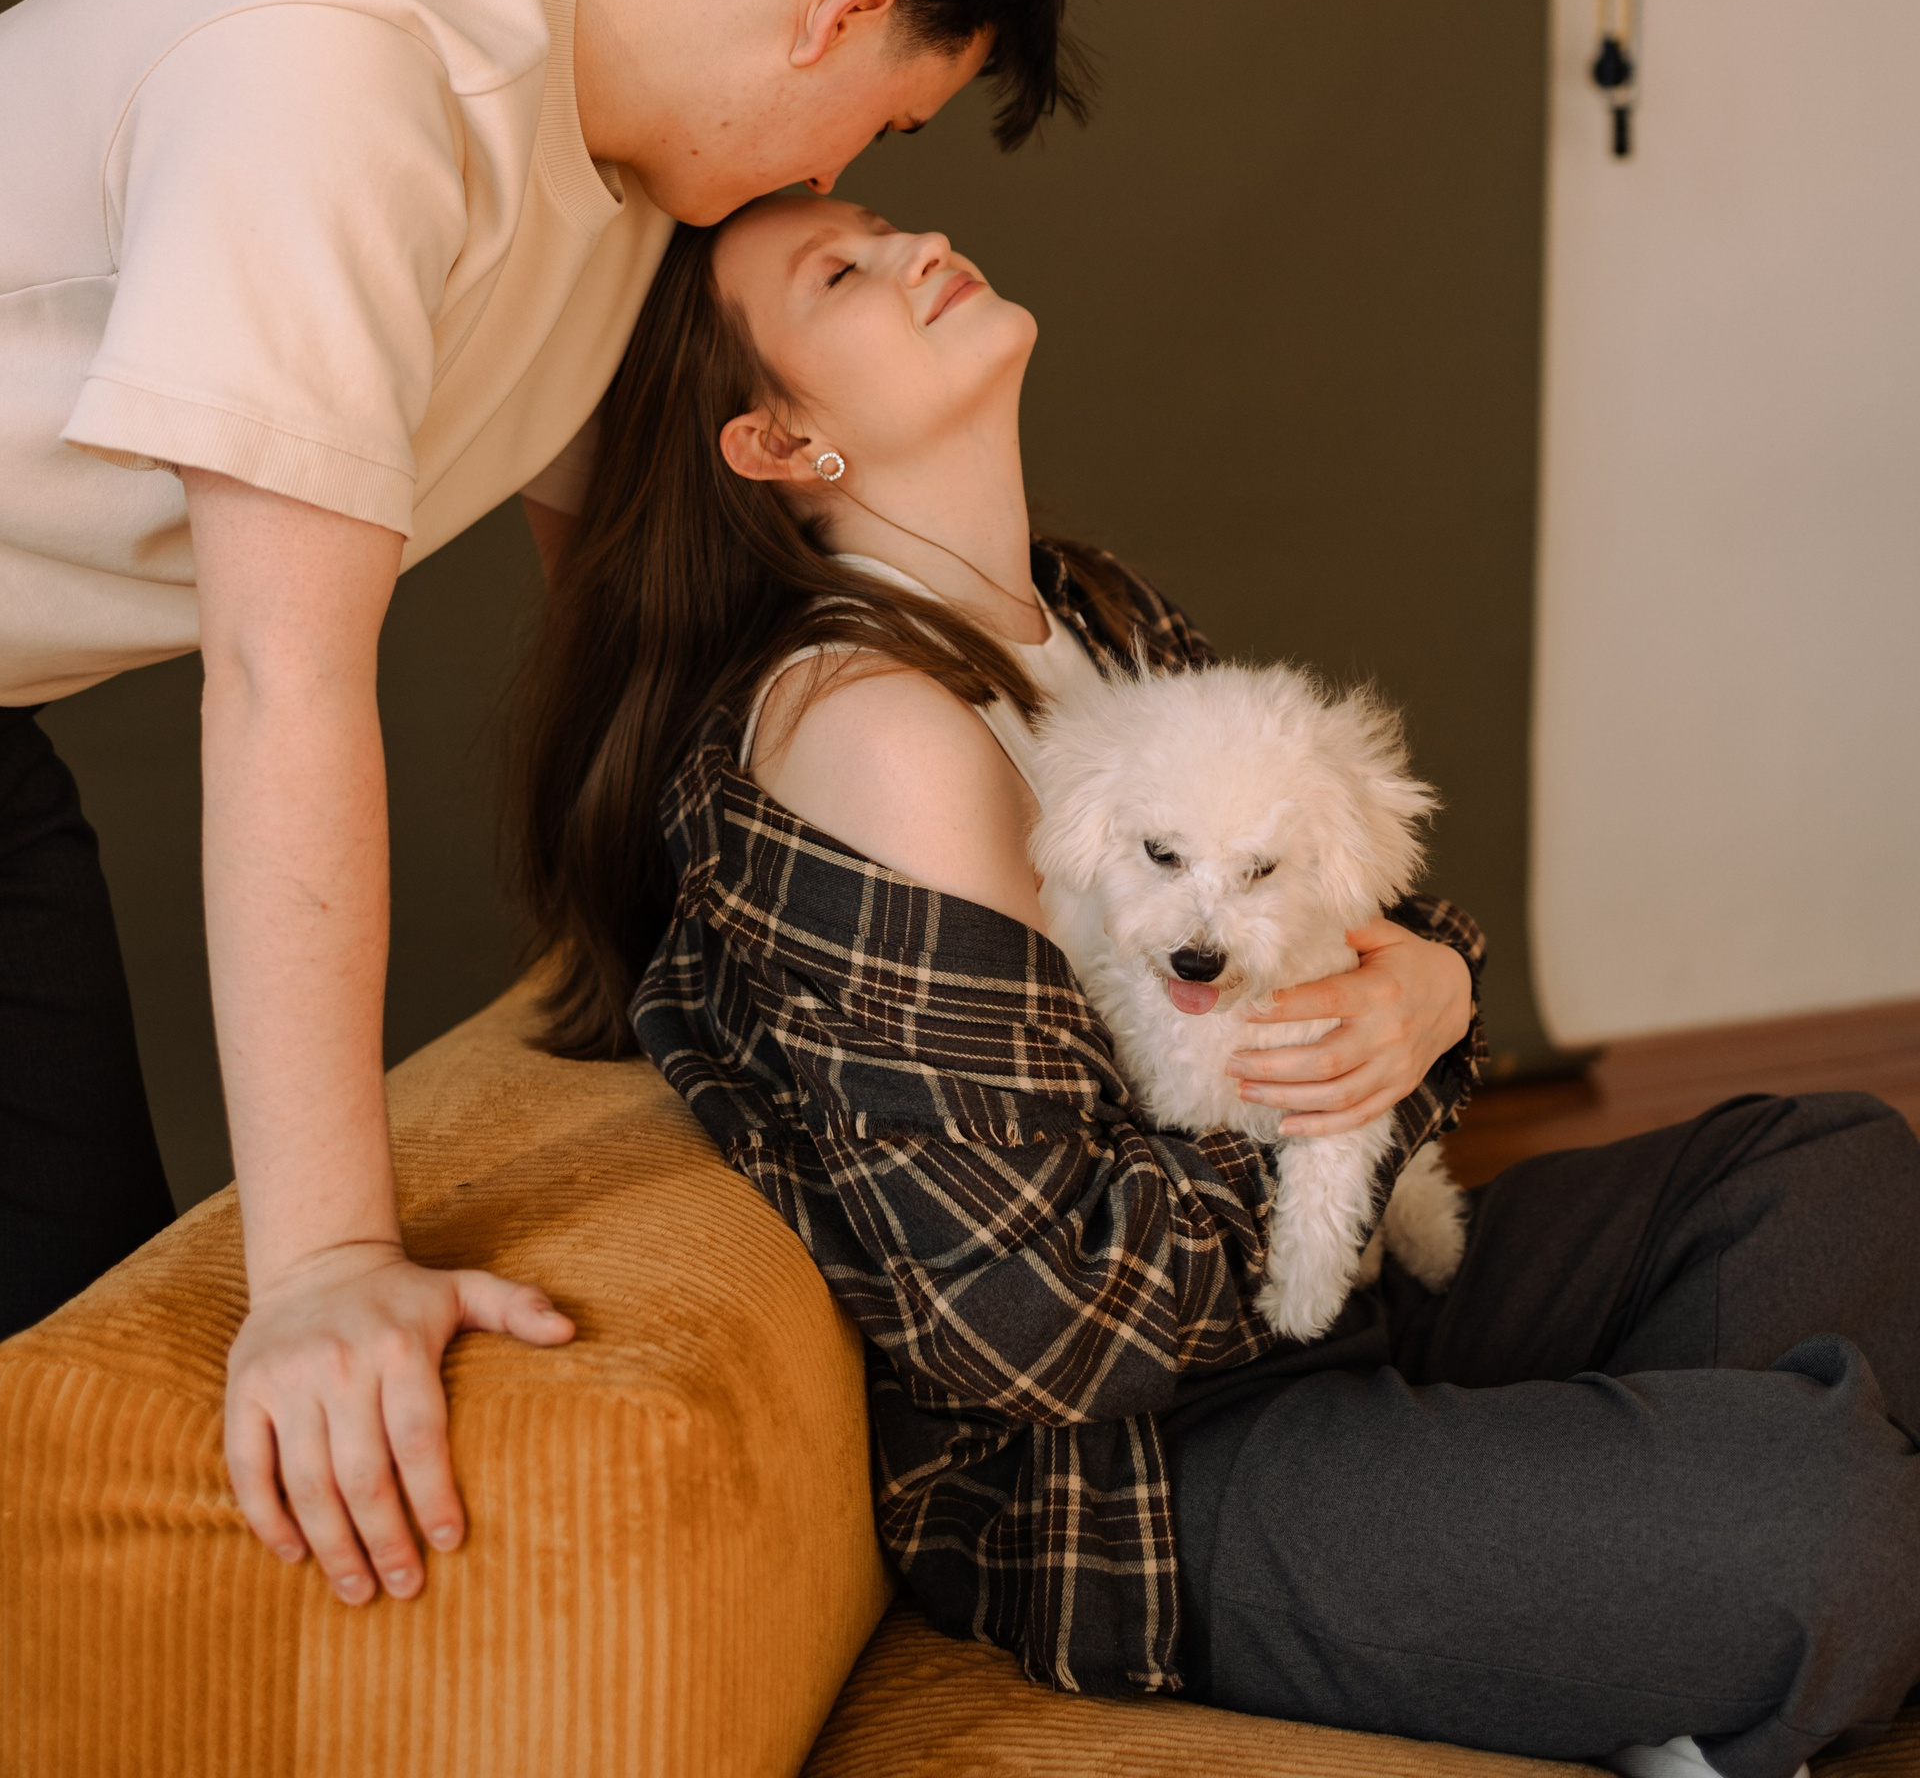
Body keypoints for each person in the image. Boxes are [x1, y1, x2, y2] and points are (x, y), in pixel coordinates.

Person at [516, 195, 1920, 1778]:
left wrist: (1434, 990)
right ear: (776, 441)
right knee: (1833, 1519)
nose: (918, 246)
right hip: (1141, 1469)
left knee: (1835, 1169)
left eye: (889, 223)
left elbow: (1318, 903)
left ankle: (1643, 1630)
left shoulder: (1092, 612)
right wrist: (1345, 1111)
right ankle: (1699, 1595)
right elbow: (1028, 1325)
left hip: (1333, 1311)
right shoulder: (868, 730)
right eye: (841, 271)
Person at [0, 0, 1086, 1607]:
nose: (853, 171)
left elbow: (632, 608)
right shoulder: (340, 74)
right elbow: (281, 678)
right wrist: (328, 1267)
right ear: (839, 15)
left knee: (70, 1337)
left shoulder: (612, 144)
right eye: (889, 118)